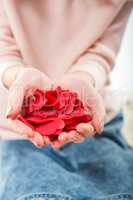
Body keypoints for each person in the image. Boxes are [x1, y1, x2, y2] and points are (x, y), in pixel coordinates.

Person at [0, 1, 133, 199]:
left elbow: (101, 53)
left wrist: (82, 78)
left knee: (120, 191)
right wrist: (16, 76)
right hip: (18, 126)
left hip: (93, 118)